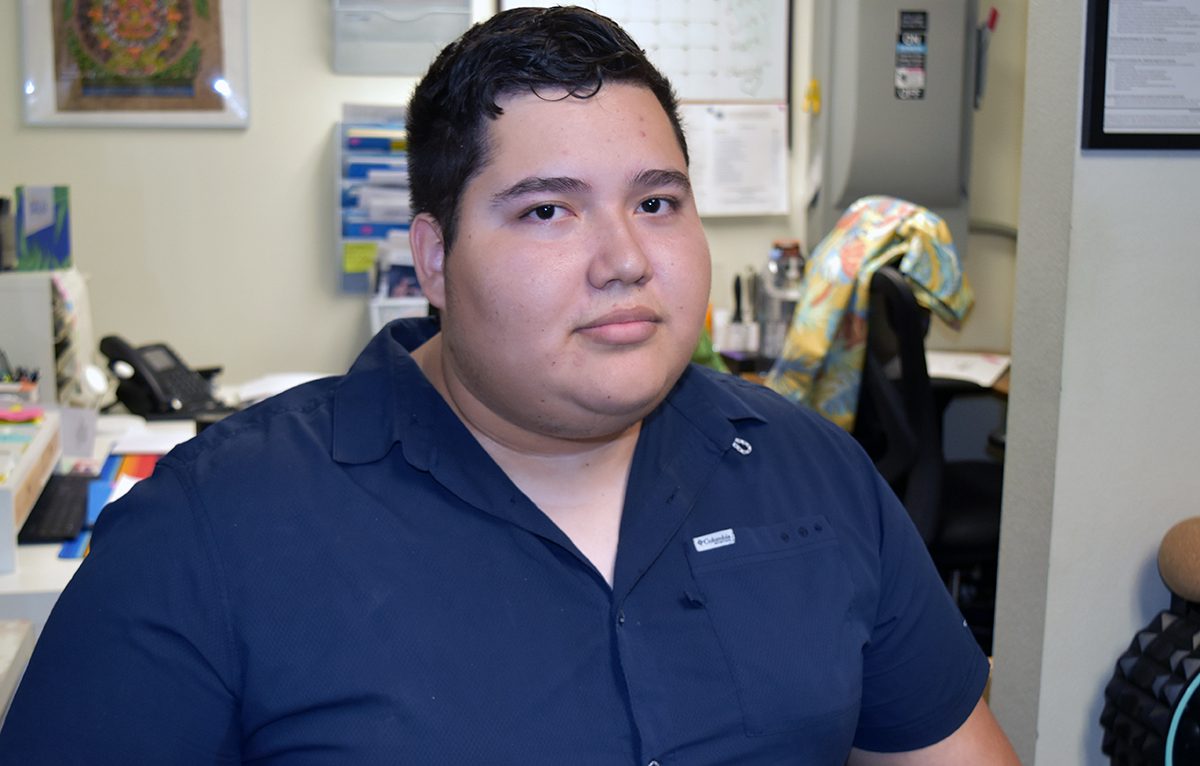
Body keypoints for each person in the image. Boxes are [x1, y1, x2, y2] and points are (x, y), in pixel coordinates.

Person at [0, 7, 1020, 764]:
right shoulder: (206, 534)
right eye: (546, 211)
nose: (626, 259)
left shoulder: (818, 477)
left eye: (657, 203)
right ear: (434, 260)